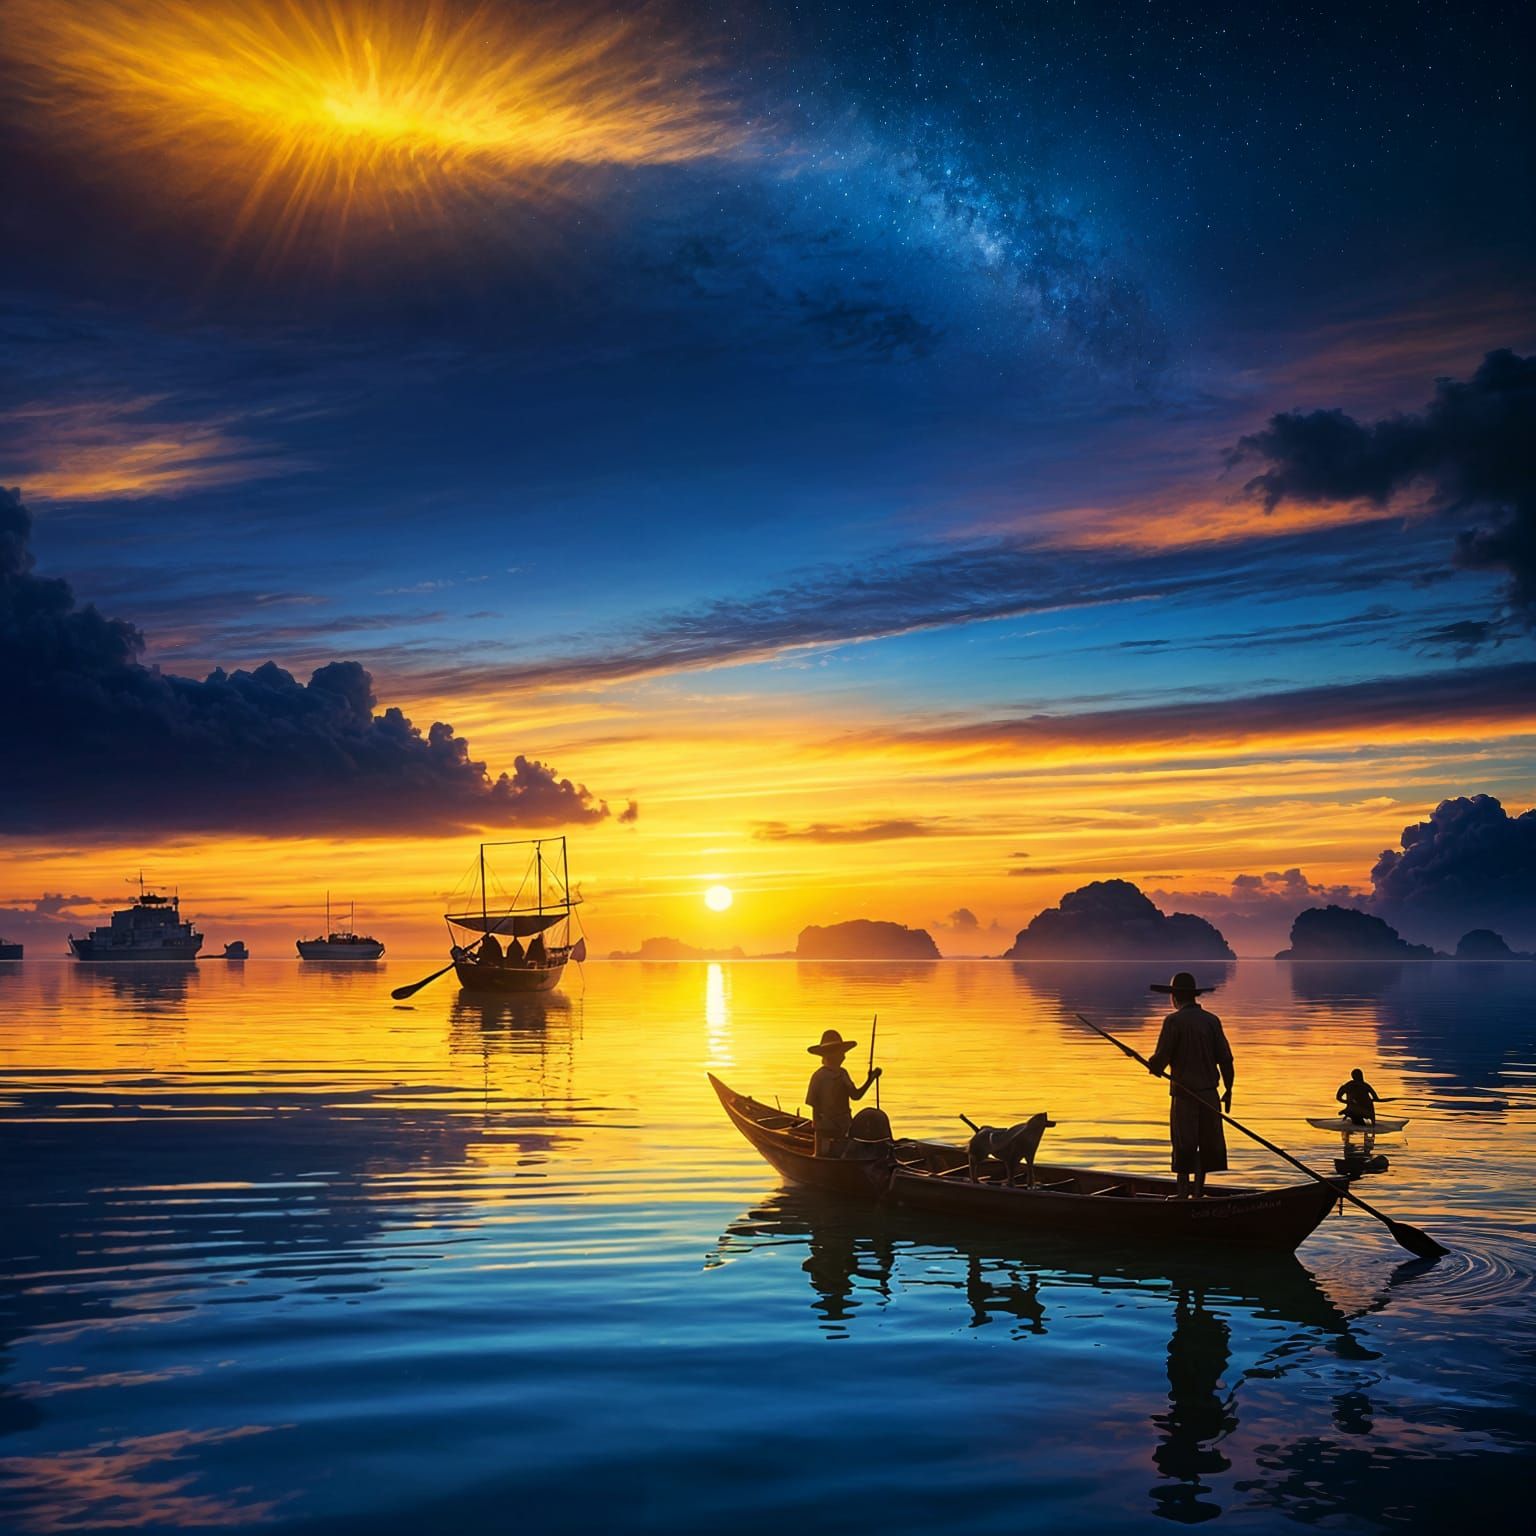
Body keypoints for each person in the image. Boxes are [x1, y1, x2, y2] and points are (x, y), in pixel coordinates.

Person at [1146, 972, 1235, 1199]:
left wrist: (1151, 1064)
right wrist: (1228, 1090)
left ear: (1175, 997)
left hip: (1185, 1097)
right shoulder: (1212, 1020)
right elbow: (1226, 1060)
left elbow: (1160, 1062)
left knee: (1184, 1146)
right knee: (1206, 1145)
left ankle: (1182, 1194)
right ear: (1193, 996)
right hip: (1209, 1095)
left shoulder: (1173, 1021)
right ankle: (1198, 1193)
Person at [804, 1028, 881, 1157]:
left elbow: (856, 1096)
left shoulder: (843, 1073)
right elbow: (814, 1107)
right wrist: (819, 1131)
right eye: (840, 1052)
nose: (844, 1056)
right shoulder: (819, 1076)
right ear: (830, 1055)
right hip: (826, 1130)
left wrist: (870, 1079)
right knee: (823, 1154)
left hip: (844, 1128)